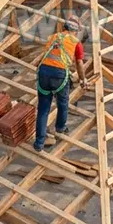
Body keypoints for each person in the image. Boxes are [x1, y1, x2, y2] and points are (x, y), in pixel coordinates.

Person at [33, 15, 87, 152]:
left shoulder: (53, 37)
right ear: (75, 31)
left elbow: (48, 54)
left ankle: (39, 142)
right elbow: (79, 63)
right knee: (63, 104)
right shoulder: (76, 42)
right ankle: (60, 128)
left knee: (43, 109)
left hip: (43, 73)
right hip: (59, 75)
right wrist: (82, 79)